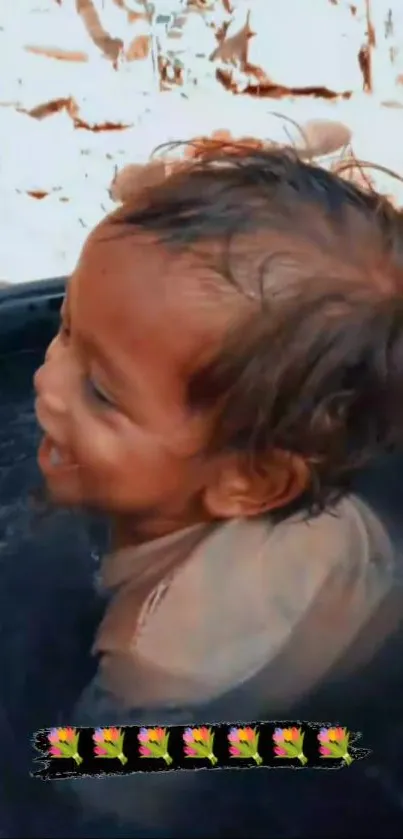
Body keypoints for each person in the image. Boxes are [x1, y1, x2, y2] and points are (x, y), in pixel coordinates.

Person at [33, 143, 403, 835]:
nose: (47, 382)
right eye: (64, 329)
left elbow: (105, 798)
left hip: (287, 740)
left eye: (100, 392)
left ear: (252, 480)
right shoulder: (335, 509)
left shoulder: (155, 651)